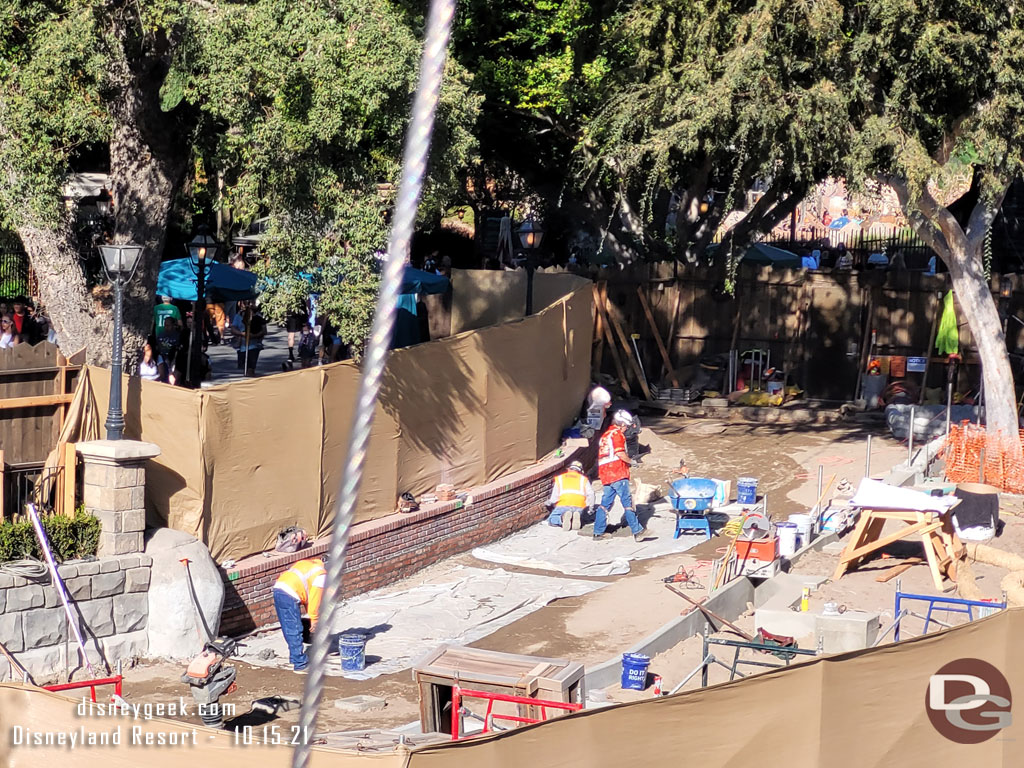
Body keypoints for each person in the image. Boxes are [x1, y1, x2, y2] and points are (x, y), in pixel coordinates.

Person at [593, 410, 650, 542]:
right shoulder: (617, 434)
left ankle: (598, 532)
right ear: (621, 424)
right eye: (626, 426)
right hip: (618, 472)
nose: (626, 429)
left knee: (605, 504)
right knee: (627, 503)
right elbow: (620, 454)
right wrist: (632, 462)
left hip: (605, 474)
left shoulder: (605, 435)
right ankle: (638, 531)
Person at [272, 556, 327, 673]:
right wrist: (314, 619)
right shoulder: (321, 575)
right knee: (294, 628)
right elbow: (315, 600)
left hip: (278, 589)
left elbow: (307, 593)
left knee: (288, 627)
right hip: (289, 593)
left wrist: (311, 615)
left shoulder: (308, 564)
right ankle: (300, 663)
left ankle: (294, 657)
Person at [546, 460, 594, 530]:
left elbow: (554, 498)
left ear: (569, 469)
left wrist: (549, 503)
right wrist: (591, 508)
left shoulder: (560, 478)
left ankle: (562, 519)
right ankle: (575, 518)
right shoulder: (584, 479)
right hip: (579, 505)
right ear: (580, 471)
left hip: (563, 504)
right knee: (581, 514)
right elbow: (591, 494)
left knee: (551, 519)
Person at [230, 300, 266, 376]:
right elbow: (233, 329)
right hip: (241, 346)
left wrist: (254, 335)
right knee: (242, 367)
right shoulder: (238, 316)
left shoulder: (258, 317)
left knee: (250, 368)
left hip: (254, 346)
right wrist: (241, 334)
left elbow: (264, 330)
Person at [285, 297, 309, 364]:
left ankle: (291, 354)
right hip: (299, 315)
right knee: (303, 333)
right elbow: (304, 310)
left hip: (290, 316)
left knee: (291, 334)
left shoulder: (287, 299)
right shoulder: (300, 299)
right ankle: (302, 351)